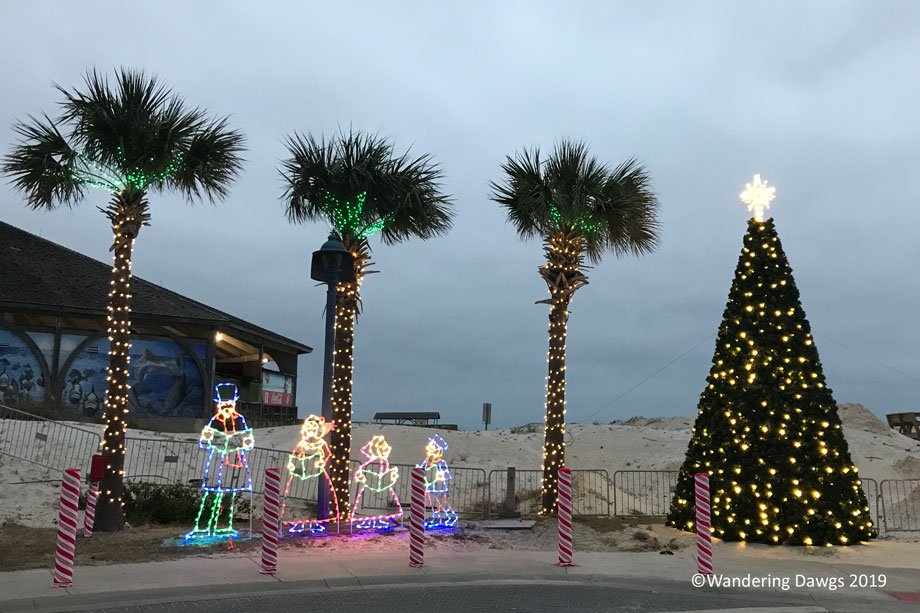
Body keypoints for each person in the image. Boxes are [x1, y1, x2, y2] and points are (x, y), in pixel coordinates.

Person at [185, 383, 253, 541]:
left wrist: (235, 441)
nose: (227, 407)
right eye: (223, 404)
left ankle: (225, 526)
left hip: (235, 460)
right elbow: (205, 439)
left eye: (230, 404)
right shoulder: (215, 420)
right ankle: (203, 527)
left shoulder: (239, 420)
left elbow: (247, 441)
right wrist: (217, 439)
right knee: (211, 492)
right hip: (217, 460)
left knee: (230, 493)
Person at [283, 414, 337, 534]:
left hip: (316, 470)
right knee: (295, 492)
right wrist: (292, 463)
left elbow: (327, 454)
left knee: (321, 492)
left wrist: (322, 461)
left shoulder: (321, 442)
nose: (311, 430)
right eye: (309, 428)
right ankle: (294, 523)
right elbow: (294, 454)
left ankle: (320, 522)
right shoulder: (303, 443)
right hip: (302, 471)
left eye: (314, 428)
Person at [350, 435, 402, 530]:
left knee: (378, 503)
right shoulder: (371, 462)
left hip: (381, 487)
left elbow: (385, 473)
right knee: (368, 503)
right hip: (370, 487)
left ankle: (378, 519)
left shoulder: (384, 462)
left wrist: (391, 475)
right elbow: (362, 471)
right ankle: (367, 520)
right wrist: (361, 475)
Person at [417, 434, 458, 528]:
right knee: (432, 503)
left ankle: (450, 516)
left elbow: (446, 475)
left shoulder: (441, 462)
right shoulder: (427, 461)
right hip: (430, 485)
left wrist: (441, 476)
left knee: (441, 502)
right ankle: (436, 518)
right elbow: (421, 468)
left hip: (438, 486)